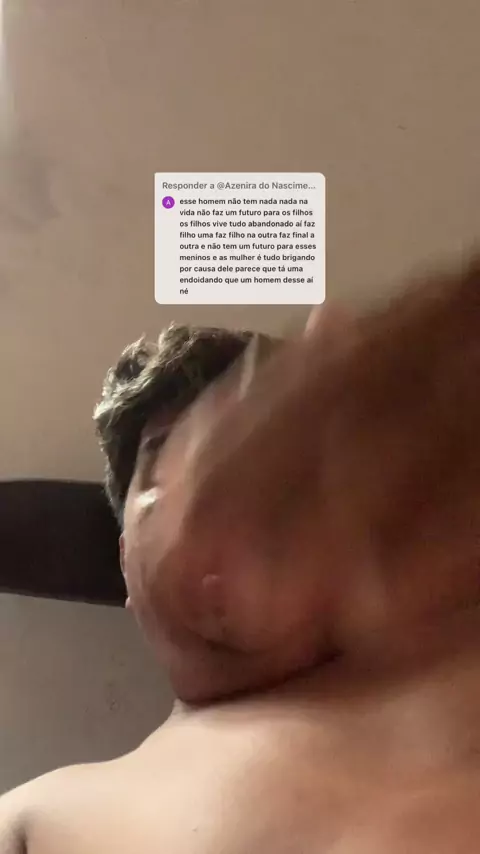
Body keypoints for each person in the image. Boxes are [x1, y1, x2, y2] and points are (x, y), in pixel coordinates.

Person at [1, 254, 480, 852]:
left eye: (279, 470)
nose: (217, 482)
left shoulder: (450, 647)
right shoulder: (37, 812)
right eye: (166, 458)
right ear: (125, 560)